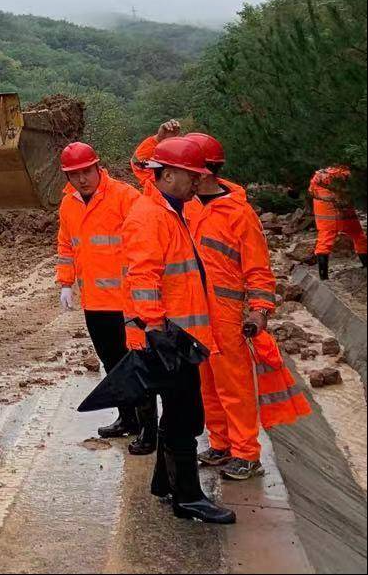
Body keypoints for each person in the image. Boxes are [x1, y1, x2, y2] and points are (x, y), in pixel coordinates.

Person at [123, 135, 235, 525]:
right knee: (185, 417)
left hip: (181, 335)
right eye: (190, 176)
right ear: (167, 175)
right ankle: (187, 497)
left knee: (177, 413)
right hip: (170, 335)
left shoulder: (172, 210)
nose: (195, 183)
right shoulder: (149, 216)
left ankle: (163, 483)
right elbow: (143, 276)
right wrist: (155, 329)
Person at [178, 133, 277, 481]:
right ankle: (220, 443)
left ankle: (247, 453)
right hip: (195, 312)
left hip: (227, 313)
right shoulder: (187, 207)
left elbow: (258, 268)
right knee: (206, 382)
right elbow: (148, 175)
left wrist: (259, 310)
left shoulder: (239, 213)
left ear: (202, 172)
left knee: (234, 386)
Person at [55, 142, 146, 445]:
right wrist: (65, 282)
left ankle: (148, 427)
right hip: (94, 302)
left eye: (86, 171)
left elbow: (146, 243)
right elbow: (67, 246)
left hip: (128, 303)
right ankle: (127, 418)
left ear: (98, 167)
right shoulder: (68, 203)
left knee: (136, 364)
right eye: (74, 174)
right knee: (111, 362)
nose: (82, 179)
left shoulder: (124, 197)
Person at [309, 165, 367, 279]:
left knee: (324, 242)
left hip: (325, 214)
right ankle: (366, 265)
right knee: (359, 236)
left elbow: (311, 191)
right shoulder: (346, 174)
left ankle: (323, 277)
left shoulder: (320, 176)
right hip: (341, 212)